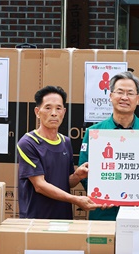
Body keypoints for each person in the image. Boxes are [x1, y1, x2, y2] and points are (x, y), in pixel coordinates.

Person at [79, 71, 139, 221]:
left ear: (137, 99)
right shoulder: (94, 133)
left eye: (130, 93)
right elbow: (84, 171)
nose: (125, 97)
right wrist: (100, 194)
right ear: (110, 96)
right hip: (103, 211)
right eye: (120, 92)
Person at [17, 85, 99, 219]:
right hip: (36, 221)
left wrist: (77, 176)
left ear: (64, 112)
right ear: (37, 112)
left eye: (58, 108)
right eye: (48, 108)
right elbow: (40, 185)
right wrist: (76, 200)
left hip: (63, 220)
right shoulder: (28, 143)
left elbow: (66, 183)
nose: (54, 113)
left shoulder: (65, 142)